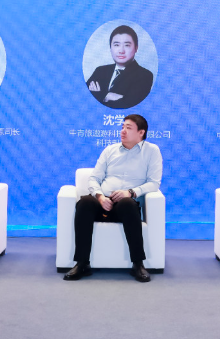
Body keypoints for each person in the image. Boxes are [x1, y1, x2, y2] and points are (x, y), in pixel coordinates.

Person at [64, 114, 161, 282]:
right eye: (122, 127)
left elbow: (154, 183)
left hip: (126, 205)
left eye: (128, 128)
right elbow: (94, 178)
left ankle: (138, 264)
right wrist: (100, 197)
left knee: (127, 203)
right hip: (103, 201)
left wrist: (130, 192)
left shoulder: (152, 151)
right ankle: (82, 263)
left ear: (141, 133)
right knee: (85, 202)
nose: (122, 131)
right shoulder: (110, 150)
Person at [86, 25, 154, 109]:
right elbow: (84, 98)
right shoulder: (100, 71)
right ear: (110, 48)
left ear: (136, 48)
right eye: (116, 45)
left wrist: (99, 94)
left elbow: (128, 105)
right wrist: (108, 96)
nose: (121, 51)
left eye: (127, 45)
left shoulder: (144, 75)